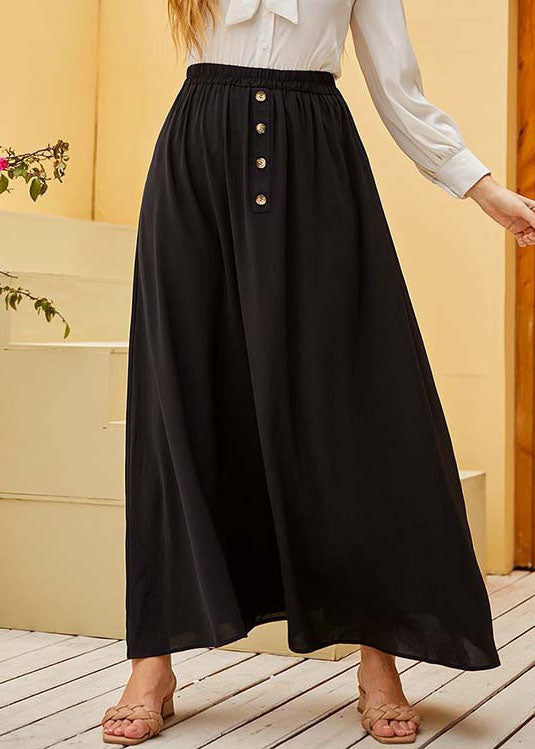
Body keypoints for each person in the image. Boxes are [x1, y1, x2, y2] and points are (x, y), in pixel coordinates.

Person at [102, 1, 535, 745]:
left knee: (353, 407)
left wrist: (481, 188)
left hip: (314, 161)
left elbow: (398, 86)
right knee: (181, 397)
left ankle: (378, 659)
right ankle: (152, 663)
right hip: (197, 159)